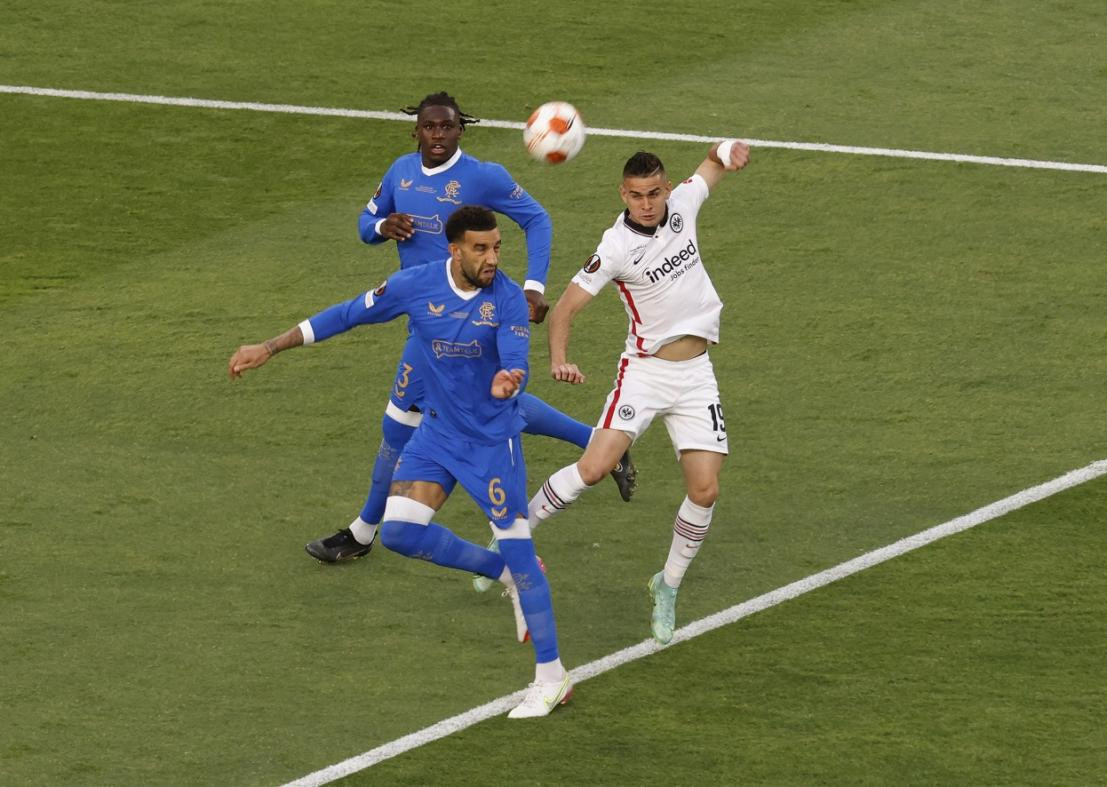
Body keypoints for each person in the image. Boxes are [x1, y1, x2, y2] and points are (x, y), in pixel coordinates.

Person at [228, 206, 573, 718]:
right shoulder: (416, 285)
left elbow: (516, 357)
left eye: (497, 247)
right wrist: (271, 346)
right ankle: (500, 573)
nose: (493, 258)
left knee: (523, 552)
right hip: (436, 436)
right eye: (481, 249)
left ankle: (553, 677)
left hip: (489, 444)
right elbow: (346, 314)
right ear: (454, 250)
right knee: (401, 533)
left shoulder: (505, 300)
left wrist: (510, 379)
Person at [308, 91, 635, 565]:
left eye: (447, 127)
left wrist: (532, 287)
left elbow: (536, 219)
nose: (438, 135)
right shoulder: (400, 171)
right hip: (424, 320)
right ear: (415, 130)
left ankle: (362, 534)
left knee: (398, 428)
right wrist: (382, 228)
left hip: (469, 324)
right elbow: (365, 222)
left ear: (461, 129)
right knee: (490, 404)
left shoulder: (481, 176)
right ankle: (603, 445)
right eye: (429, 127)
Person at [524, 141, 751, 645]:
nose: (647, 204)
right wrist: (559, 360)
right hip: (645, 372)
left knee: (705, 490)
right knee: (594, 467)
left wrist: (729, 149)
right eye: (636, 196)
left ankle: (666, 585)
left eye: (654, 193)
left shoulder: (684, 206)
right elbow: (562, 310)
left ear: (666, 188)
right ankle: (513, 536)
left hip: (695, 375)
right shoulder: (615, 247)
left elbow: (712, 163)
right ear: (622, 195)